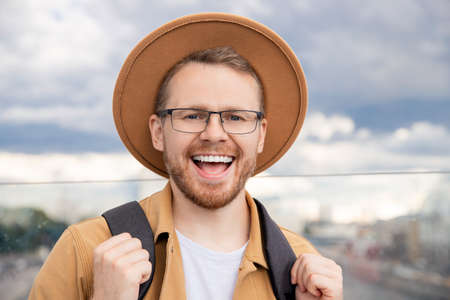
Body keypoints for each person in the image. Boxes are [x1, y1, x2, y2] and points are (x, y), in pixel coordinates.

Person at [29, 13, 343, 300]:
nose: (214, 133)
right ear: (158, 131)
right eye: (192, 115)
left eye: (236, 117)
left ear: (260, 134)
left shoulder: (302, 268)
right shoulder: (83, 251)